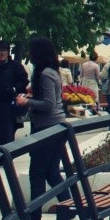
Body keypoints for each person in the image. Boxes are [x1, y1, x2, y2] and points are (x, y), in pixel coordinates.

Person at [25, 37, 67, 197]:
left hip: (48, 127)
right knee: (52, 173)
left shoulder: (46, 74)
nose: (29, 53)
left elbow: (48, 104)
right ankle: (69, 212)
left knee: (37, 174)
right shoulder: (52, 71)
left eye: (31, 50)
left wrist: (27, 102)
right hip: (55, 126)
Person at [0, 42, 30, 149]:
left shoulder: (15, 65)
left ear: (8, 52)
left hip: (7, 103)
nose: (2, 53)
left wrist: (14, 88)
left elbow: (24, 80)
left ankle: (7, 156)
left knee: (7, 131)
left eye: (4, 51)